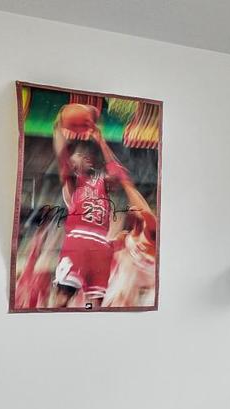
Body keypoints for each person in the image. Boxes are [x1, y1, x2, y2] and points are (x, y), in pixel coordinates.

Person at [52, 114, 154, 308]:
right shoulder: (72, 183)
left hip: (100, 246)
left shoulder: (101, 181)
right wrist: (58, 129)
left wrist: (101, 141)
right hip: (79, 241)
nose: (85, 156)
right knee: (63, 297)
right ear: (72, 163)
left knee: (95, 305)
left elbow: (119, 174)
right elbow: (61, 155)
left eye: (86, 154)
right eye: (79, 155)